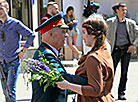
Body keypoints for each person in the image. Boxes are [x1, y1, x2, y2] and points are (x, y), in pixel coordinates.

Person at [56, 14, 115, 102]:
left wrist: (67, 85)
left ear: (94, 34)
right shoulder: (104, 51)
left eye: (84, 32)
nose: (82, 36)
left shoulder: (93, 58)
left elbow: (95, 90)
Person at [32, 12, 88, 102]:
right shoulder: (46, 54)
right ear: (51, 34)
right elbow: (63, 78)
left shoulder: (47, 51)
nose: (66, 35)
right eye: (63, 32)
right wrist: (89, 82)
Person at [0, 0, 35, 102]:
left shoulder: (15, 23)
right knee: (5, 91)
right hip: (1, 63)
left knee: (10, 90)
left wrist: (23, 51)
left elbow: (31, 35)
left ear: (7, 9)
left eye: (1, 8)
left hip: (13, 62)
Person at [106, 2, 138, 100]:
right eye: (122, 10)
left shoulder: (131, 23)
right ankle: (108, 92)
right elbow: (103, 33)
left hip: (126, 50)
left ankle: (121, 93)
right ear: (117, 11)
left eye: (125, 10)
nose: (124, 12)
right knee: (111, 72)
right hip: (115, 50)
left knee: (124, 73)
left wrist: (134, 45)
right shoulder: (110, 22)